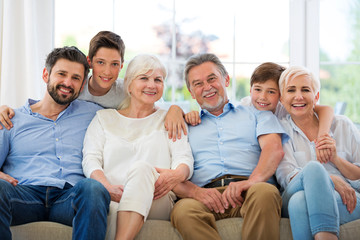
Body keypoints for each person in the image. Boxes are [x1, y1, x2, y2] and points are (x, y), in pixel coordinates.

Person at [170, 53, 289, 240]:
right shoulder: (183, 125)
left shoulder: (259, 114)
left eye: (212, 79)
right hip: (203, 194)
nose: (207, 87)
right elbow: (171, 172)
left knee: (265, 192)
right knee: (183, 210)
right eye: (198, 84)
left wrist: (250, 182)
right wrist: (196, 192)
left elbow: (273, 149)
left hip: (250, 190)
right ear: (191, 92)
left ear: (226, 80)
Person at [0, 46, 110, 240]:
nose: (67, 83)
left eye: (76, 78)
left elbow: (136, 105)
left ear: (83, 83)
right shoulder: (11, 119)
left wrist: (174, 111)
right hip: (23, 195)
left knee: (93, 187)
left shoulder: (94, 114)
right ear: (46, 74)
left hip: (69, 197)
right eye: (61, 74)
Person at [82, 54, 194, 240]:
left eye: (158, 80)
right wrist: (107, 188)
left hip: (156, 199)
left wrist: (176, 176)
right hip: (113, 197)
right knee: (112, 209)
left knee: (142, 168)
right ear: (129, 85)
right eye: (144, 78)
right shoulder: (104, 118)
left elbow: (184, 158)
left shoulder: (169, 119)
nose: (152, 85)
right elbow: (91, 160)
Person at [0, 31, 186, 140]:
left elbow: (152, 105)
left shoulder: (126, 89)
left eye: (114, 64)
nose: (107, 71)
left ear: (121, 66)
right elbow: (49, 104)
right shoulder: (74, 87)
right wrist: (7, 110)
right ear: (90, 62)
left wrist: (175, 109)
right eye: (100, 63)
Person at [186, 62, 334, 162]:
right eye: (258, 90)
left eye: (271, 91)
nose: (263, 97)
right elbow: (220, 117)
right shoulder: (246, 106)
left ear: (281, 95)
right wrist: (187, 113)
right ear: (250, 90)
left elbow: (326, 109)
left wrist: (322, 137)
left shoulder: (286, 107)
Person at [275, 66, 360, 240]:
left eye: (305, 89)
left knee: (299, 203)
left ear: (316, 97)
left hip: (347, 198)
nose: (298, 96)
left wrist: (336, 159)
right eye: (291, 90)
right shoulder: (279, 130)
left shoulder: (342, 125)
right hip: (295, 190)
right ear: (282, 99)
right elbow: (287, 177)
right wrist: (329, 180)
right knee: (314, 169)